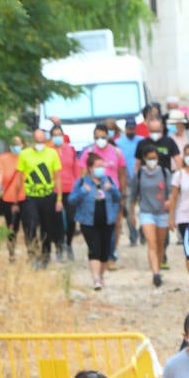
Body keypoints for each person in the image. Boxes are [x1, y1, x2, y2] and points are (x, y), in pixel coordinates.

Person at [70, 150, 121, 290]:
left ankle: (100, 275)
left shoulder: (108, 181)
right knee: (94, 249)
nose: (101, 169)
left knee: (104, 252)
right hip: (88, 222)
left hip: (107, 220)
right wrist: (82, 192)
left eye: (102, 166)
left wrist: (111, 190)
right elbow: (71, 200)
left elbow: (118, 197)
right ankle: (96, 278)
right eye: (98, 166)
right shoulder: (81, 182)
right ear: (90, 168)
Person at [15, 129, 63, 266]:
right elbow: (19, 177)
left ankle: (45, 256)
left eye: (42, 140)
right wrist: (17, 199)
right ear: (33, 141)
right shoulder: (25, 154)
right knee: (30, 225)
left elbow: (57, 177)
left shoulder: (52, 153)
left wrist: (59, 199)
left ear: (45, 140)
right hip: (31, 197)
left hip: (48, 196)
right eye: (37, 140)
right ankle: (33, 255)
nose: (39, 143)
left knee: (47, 228)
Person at [130, 144, 171, 286]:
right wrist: (132, 215)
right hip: (146, 212)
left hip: (162, 212)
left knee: (160, 244)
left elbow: (171, 192)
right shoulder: (139, 174)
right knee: (152, 242)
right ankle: (155, 272)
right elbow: (133, 195)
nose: (152, 161)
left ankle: (157, 268)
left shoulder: (165, 173)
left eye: (154, 158)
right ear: (144, 159)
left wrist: (170, 203)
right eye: (149, 158)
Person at [48, 123, 79, 260]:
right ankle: (59, 246)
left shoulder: (70, 150)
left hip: (70, 188)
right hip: (53, 190)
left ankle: (69, 243)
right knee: (56, 221)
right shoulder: (47, 151)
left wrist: (78, 187)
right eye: (54, 135)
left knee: (71, 219)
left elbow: (76, 170)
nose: (57, 138)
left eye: (59, 135)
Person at [0, 135, 25, 262]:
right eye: (13, 144)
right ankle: (11, 254)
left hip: (26, 197)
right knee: (12, 228)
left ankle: (33, 251)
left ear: (23, 144)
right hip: (9, 198)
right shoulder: (3, 158)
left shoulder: (27, 157)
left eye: (18, 143)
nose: (16, 146)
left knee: (30, 225)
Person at [116, 116, 142, 246]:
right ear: (125, 129)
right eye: (129, 129)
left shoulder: (142, 141)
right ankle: (133, 235)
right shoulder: (119, 143)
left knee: (143, 208)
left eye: (133, 129)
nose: (131, 131)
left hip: (141, 179)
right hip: (126, 180)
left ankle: (143, 232)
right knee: (128, 208)